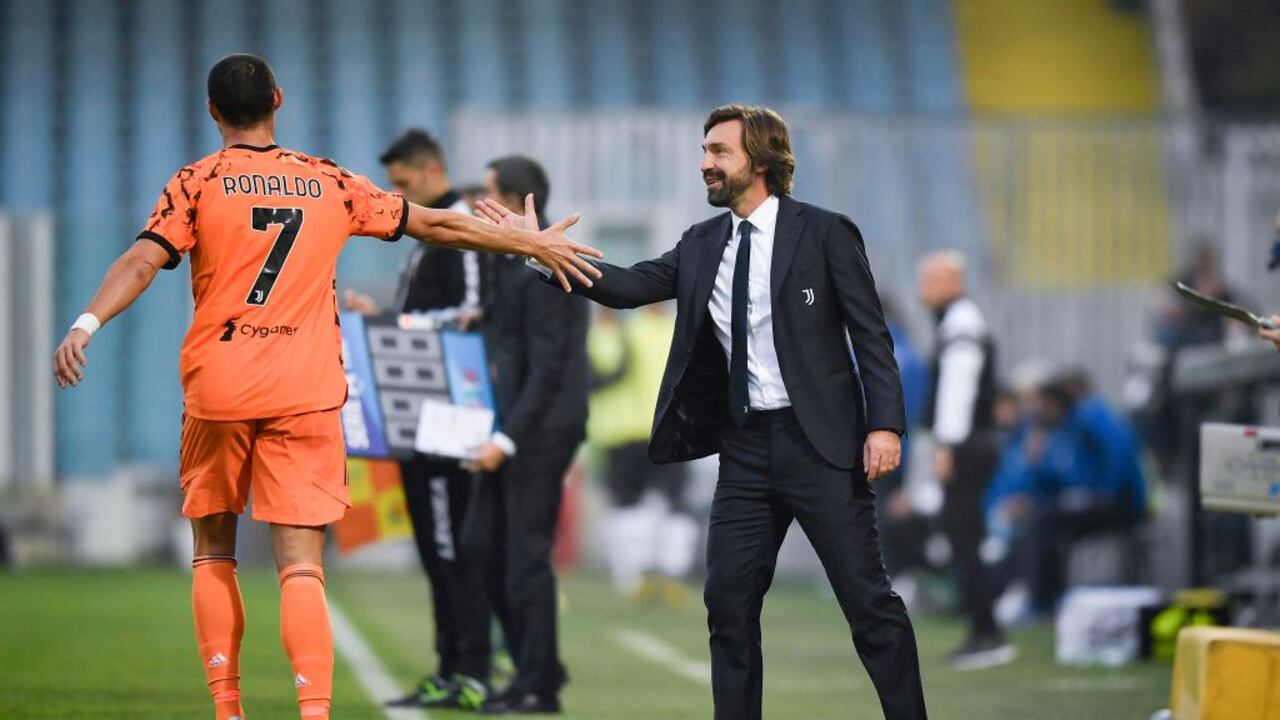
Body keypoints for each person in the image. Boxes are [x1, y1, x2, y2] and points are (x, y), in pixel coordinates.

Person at [49, 54, 600, 720]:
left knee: (214, 549)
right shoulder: (328, 181)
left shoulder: (196, 182)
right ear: (278, 100)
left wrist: (85, 324)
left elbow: (143, 259)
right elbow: (436, 222)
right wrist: (529, 245)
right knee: (302, 561)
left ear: (212, 111)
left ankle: (228, 708)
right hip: (305, 391)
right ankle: (314, 712)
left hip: (218, 387)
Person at [479, 104, 925, 720]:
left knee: (868, 603)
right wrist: (538, 251)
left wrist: (884, 423)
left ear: (760, 160)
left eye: (719, 151)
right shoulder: (701, 241)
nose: (705, 163)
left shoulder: (824, 232)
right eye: (704, 151)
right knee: (728, 604)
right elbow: (628, 285)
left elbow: (871, 336)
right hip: (744, 449)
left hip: (819, 444)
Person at [345, 129, 491, 712]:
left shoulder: (459, 226)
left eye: (403, 182)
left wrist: (395, 327)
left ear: (431, 169)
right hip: (419, 413)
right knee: (436, 549)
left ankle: (470, 671)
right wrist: (385, 320)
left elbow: (473, 314)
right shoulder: (429, 232)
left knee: (454, 545)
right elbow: (436, 316)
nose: (397, 193)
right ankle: (452, 668)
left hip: (448, 416)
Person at [463, 156, 590, 714]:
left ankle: (538, 684)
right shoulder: (512, 259)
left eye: (489, 196)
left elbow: (550, 365)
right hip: (513, 422)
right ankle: (538, 666)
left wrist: (506, 441)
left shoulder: (545, 261)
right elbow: (509, 332)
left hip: (540, 428)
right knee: (480, 544)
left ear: (515, 202)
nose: (479, 207)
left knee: (526, 555)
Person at [917, 251, 1014, 670]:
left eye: (930, 280)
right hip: (969, 446)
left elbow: (959, 388)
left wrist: (946, 445)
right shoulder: (956, 321)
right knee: (962, 538)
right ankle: (982, 630)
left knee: (965, 539)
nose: (923, 290)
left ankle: (987, 633)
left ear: (951, 282)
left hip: (966, 448)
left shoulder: (961, 323)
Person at [588, 305, 698, 605]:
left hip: (623, 432)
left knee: (630, 506)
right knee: (674, 506)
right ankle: (667, 576)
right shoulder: (683, 331)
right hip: (668, 430)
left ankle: (635, 577)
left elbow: (599, 374)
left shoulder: (620, 330)